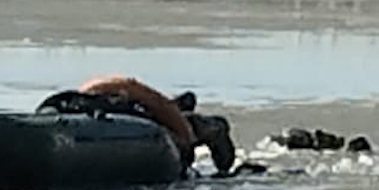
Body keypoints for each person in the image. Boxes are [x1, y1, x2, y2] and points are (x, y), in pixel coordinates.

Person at [36, 74, 237, 176]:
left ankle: (209, 128)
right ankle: (188, 118)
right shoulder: (67, 106)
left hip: (137, 123)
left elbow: (133, 88)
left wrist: (184, 133)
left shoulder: (98, 91)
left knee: (180, 136)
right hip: (83, 115)